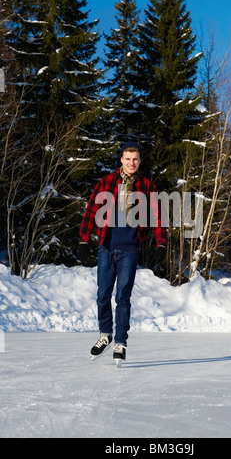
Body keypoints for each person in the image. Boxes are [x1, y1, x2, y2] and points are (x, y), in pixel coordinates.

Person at [78, 141, 168, 363]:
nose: (131, 163)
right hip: (106, 247)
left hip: (130, 249)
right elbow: (91, 209)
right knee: (102, 295)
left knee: (123, 298)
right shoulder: (107, 182)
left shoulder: (148, 186)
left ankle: (120, 342)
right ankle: (105, 334)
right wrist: (83, 239)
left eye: (135, 159)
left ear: (140, 161)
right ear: (121, 160)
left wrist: (161, 243)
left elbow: (157, 217)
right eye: (128, 159)